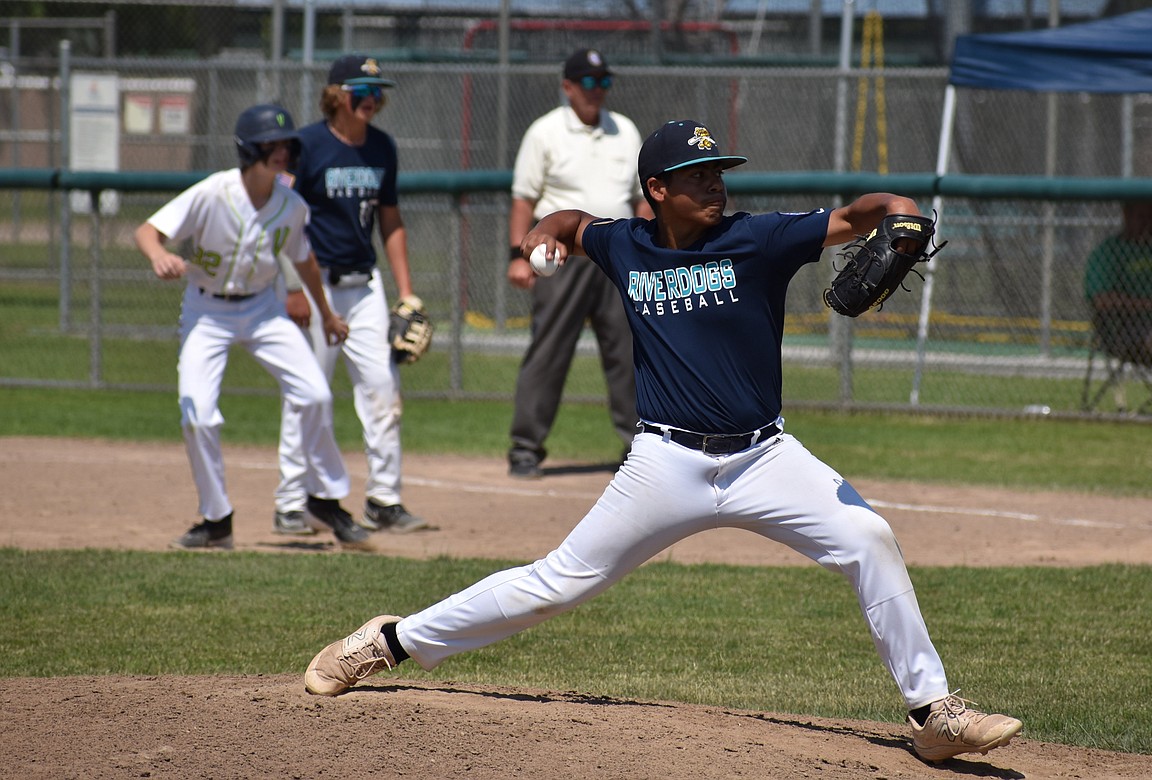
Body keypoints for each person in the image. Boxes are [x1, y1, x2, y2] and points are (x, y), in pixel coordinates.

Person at [303, 120, 1023, 763]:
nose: (715, 184)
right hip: (665, 462)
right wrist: (540, 237)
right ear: (657, 189)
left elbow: (855, 214)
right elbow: (570, 219)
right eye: (697, 175)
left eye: (718, 172)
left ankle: (934, 713)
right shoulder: (630, 243)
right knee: (557, 584)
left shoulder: (759, 238)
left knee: (868, 537)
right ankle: (388, 642)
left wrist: (899, 214)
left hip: (764, 456)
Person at [133, 103, 370, 551]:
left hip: (263, 309)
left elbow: (304, 259)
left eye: (286, 144)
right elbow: (148, 231)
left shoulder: (291, 205)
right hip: (208, 312)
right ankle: (216, 518)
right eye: (270, 144)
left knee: (315, 393)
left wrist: (326, 313)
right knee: (198, 414)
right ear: (248, 148)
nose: (281, 151)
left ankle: (322, 499)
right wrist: (158, 255)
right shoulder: (213, 192)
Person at [272, 54, 431, 537]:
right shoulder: (306, 145)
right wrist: (295, 288)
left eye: (378, 92)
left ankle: (384, 500)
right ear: (337, 94)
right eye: (363, 91)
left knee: (383, 389)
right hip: (315, 284)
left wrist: (407, 293)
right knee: (308, 393)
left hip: (364, 286)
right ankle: (290, 502)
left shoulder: (382, 146)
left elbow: (390, 222)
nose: (374, 100)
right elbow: (282, 216)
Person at [505, 48, 653, 479]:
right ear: (568, 86)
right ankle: (525, 448)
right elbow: (524, 198)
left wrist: (644, 244)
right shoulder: (545, 132)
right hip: (560, 255)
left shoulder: (624, 130)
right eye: (587, 82)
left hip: (617, 254)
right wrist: (518, 256)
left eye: (603, 81)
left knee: (630, 352)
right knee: (549, 350)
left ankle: (640, 447)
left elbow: (641, 198)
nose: (596, 90)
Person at [1084, 199, 1152, 366]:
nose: (1150, 223)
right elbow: (1102, 301)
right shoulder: (1108, 251)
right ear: (1126, 215)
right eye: (1142, 216)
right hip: (1124, 328)